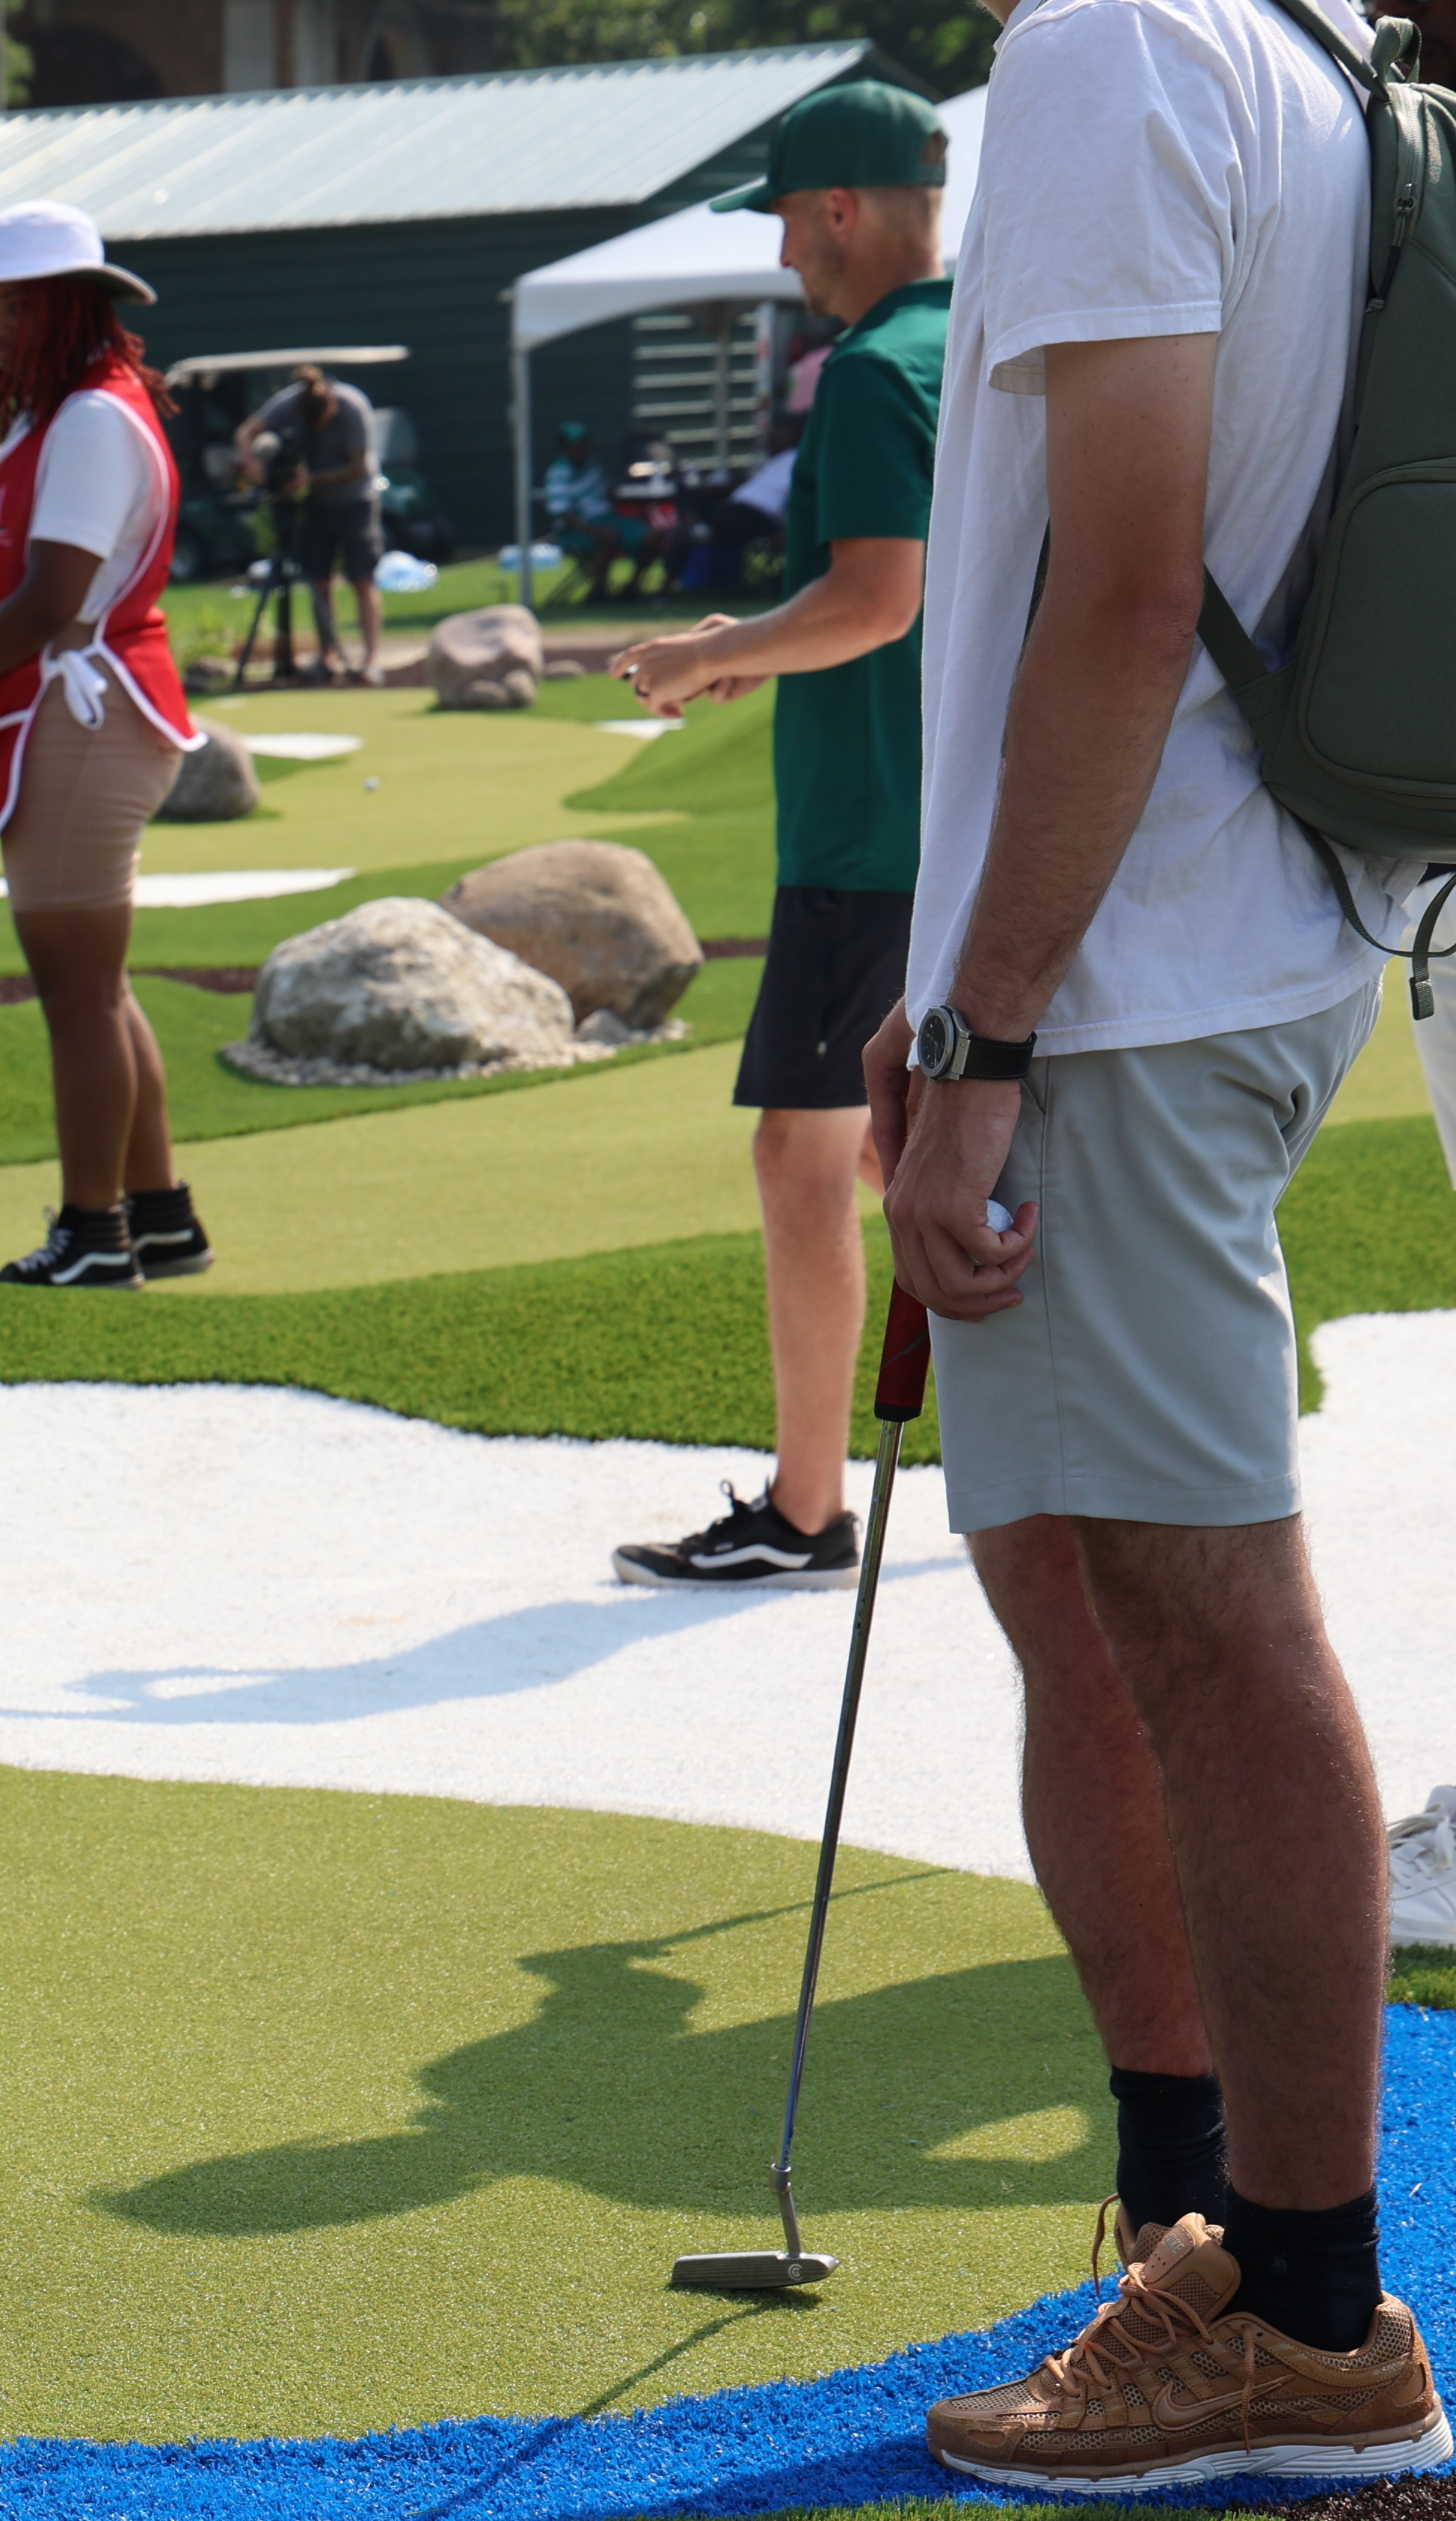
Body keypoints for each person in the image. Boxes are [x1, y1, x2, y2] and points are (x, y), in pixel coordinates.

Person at [864, 0, 1452, 2487]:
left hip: (1130, 972)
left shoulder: (1117, 39)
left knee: (1206, 1628)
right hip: (1253, 927)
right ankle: (1223, 2250)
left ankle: (1304, 2317)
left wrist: (985, 1024)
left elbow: (1116, 592)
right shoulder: (1296, 39)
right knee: (1117, 1603)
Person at [604, 79, 950, 1595]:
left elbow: (879, 596)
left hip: (866, 827)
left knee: (810, 1161)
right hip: (970, 812)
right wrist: (761, 638)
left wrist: (697, 654)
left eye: (784, 224)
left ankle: (807, 1512)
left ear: (836, 207)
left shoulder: (870, 371)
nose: (777, 262)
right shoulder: (983, 344)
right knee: (981, 1149)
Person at [0, 201, 214, 1290]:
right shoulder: (79, 409)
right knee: (102, 984)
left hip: (86, 718)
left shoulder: (88, 416)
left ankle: (94, 1234)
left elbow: (53, 602)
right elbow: (41, 596)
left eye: (11, 309)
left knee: (76, 991)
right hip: (93, 706)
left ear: (69, 307)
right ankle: (160, 1216)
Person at [234, 363, 384, 684]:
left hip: (356, 502)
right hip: (315, 506)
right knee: (320, 583)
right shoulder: (289, 404)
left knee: (362, 580)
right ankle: (326, 658)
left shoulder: (353, 408)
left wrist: (309, 478)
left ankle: (370, 660)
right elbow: (246, 432)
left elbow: (357, 468)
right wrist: (254, 466)